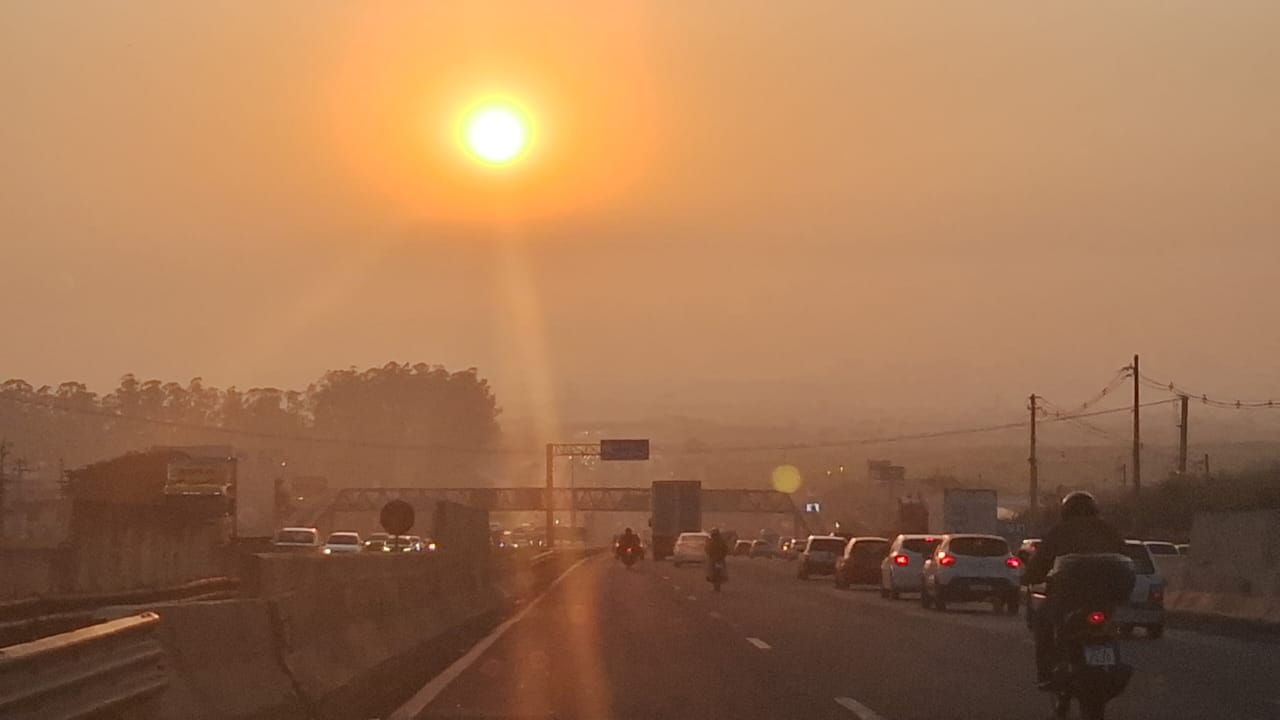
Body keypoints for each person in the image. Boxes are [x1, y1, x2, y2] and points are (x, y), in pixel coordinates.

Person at [1023, 491, 1125, 687]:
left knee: (1042, 621)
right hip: (1104, 596)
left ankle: (1045, 674)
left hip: (1069, 597)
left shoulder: (1060, 531)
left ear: (1066, 511)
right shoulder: (1108, 530)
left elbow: (1039, 563)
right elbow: (1124, 557)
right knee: (1110, 624)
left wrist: (1029, 577)